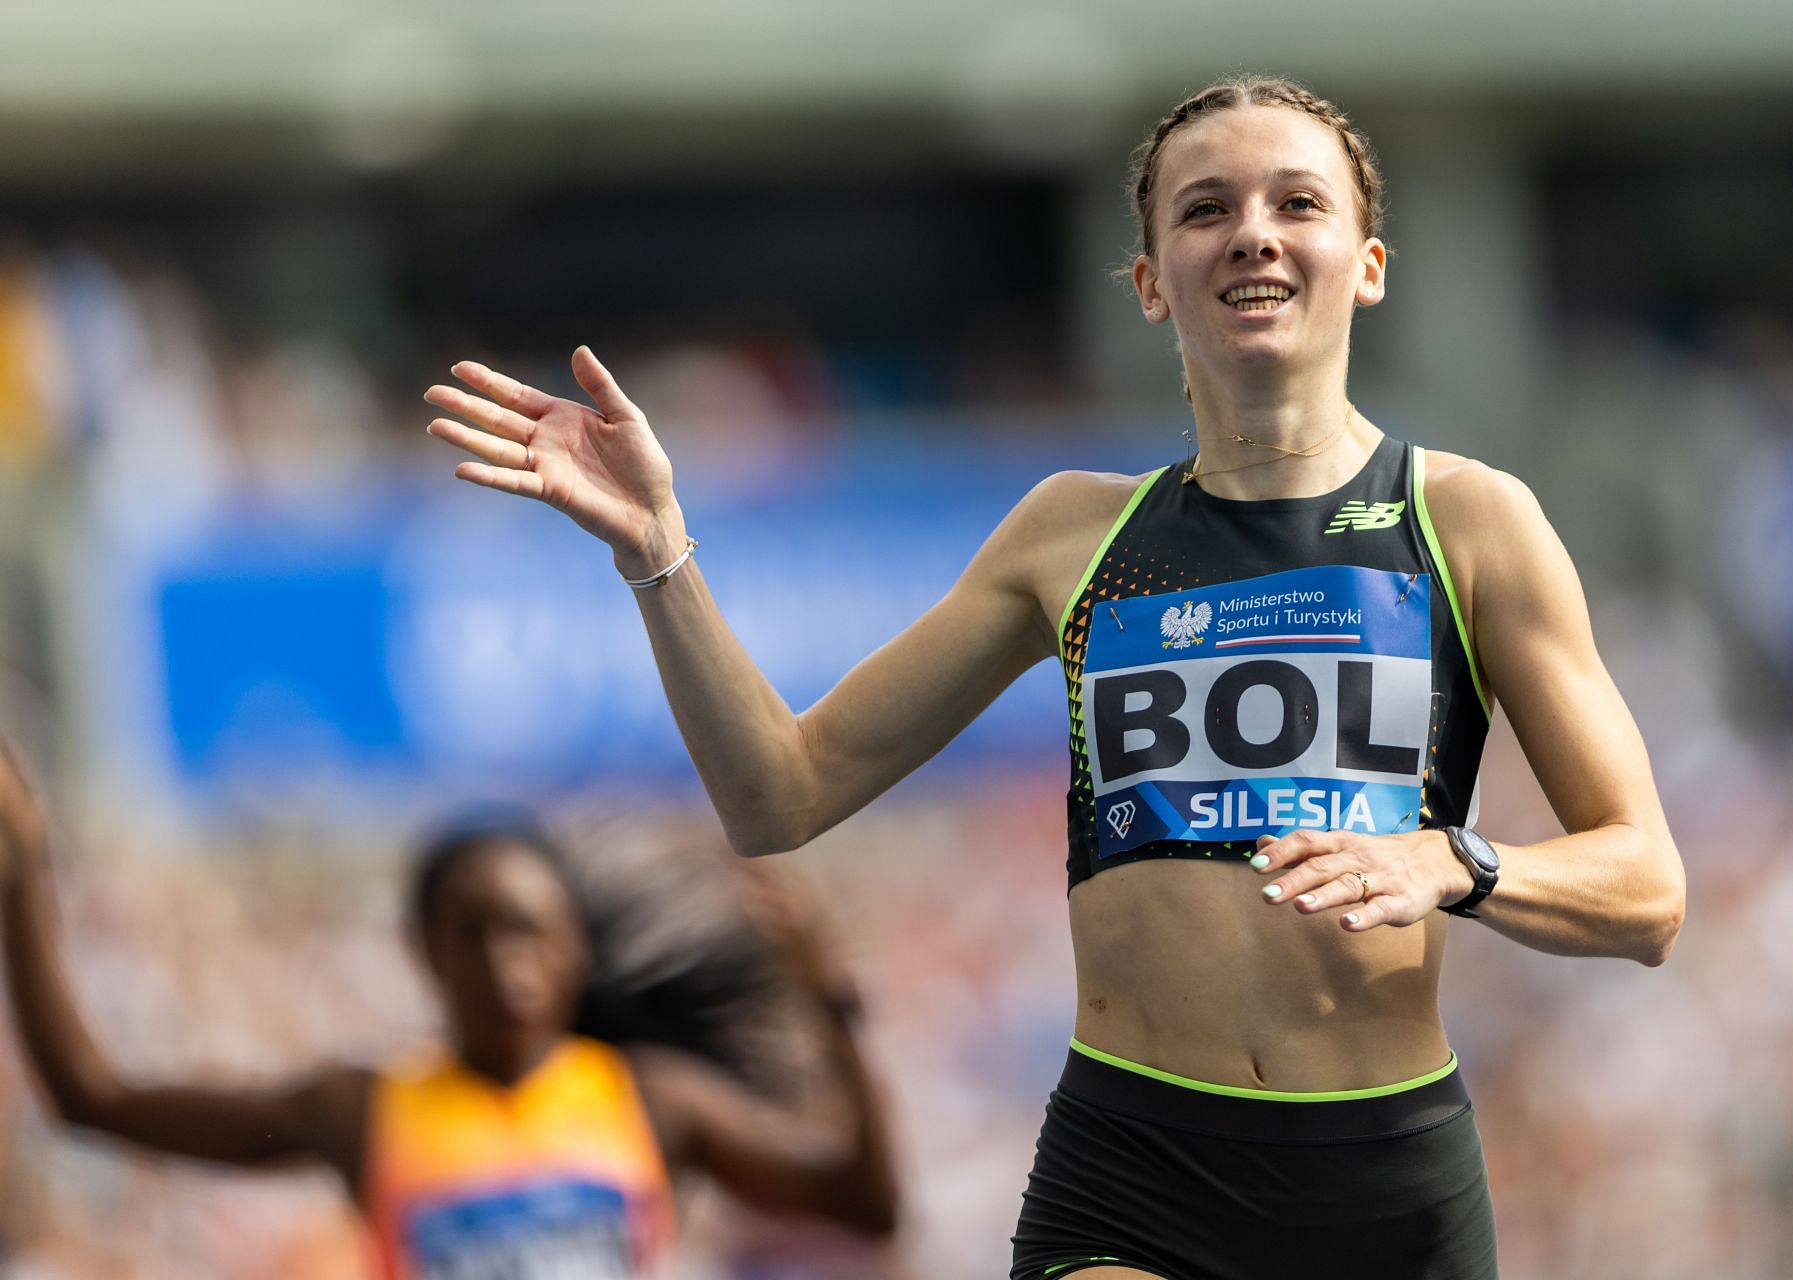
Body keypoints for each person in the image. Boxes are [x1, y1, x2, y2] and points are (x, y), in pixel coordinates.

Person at [423, 73, 1685, 1280]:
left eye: (1297, 203)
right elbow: (780, 795)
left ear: (1367, 266)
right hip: (1132, 1160)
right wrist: (659, 554)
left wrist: (1452, 861)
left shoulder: (1468, 520)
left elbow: (1646, 886)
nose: (1253, 233)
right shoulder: (1072, 534)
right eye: (1207, 208)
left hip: (1382, 1168)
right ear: (1149, 281)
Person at [0, 744, 898, 1278]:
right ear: (424, 949)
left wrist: (834, 1004)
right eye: (473, 933)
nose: (505, 963)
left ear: (571, 949)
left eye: (529, 933)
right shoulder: (365, 1110)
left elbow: (865, 1204)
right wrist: (24, 875)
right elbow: (92, 1099)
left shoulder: (649, 1101)